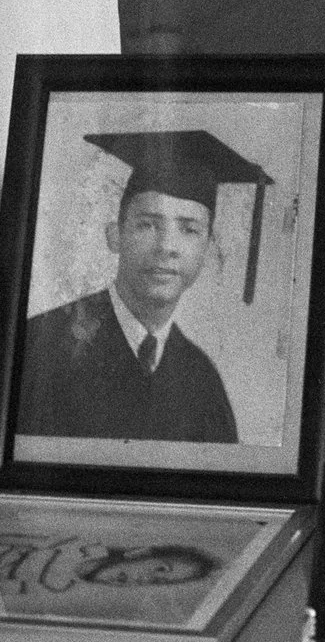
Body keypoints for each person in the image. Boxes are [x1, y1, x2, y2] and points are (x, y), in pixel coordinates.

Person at [16, 129, 264, 444]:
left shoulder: (203, 381)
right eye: (147, 225)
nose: (167, 247)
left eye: (189, 229)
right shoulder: (43, 345)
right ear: (115, 235)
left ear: (207, 249)